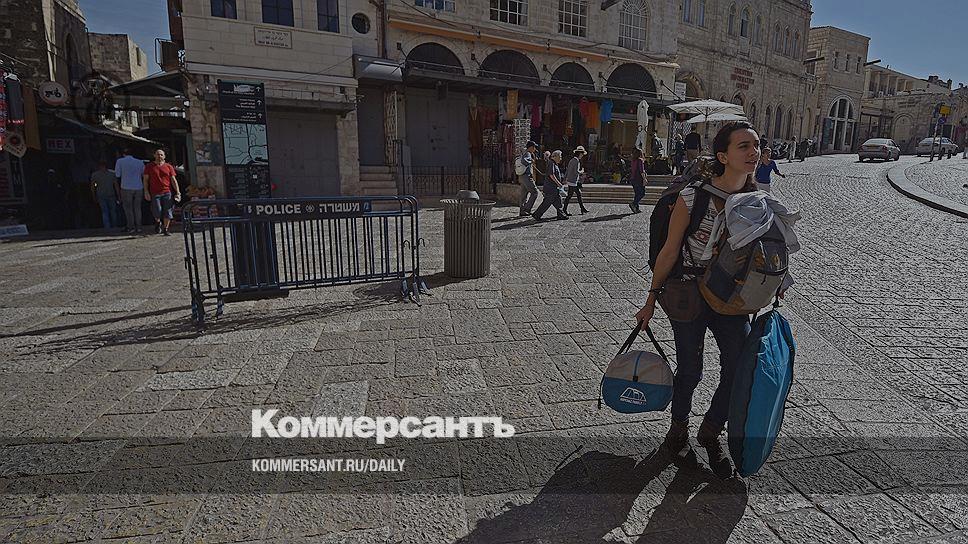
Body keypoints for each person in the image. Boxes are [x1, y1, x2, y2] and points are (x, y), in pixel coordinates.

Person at [636, 121, 776, 480]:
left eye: (756, 145)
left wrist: (773, 283)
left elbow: (764, 254)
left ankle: (711, 431)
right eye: (744, 146)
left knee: (738, 368)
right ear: (723, 156)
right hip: (689, 294)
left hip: (733, 300)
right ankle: (678, 431)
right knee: (690, 369)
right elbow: (670, 250)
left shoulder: (759, 201)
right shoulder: (693, 197)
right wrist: (651, 299)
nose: (753, 152)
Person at [143, 149, 181, 236]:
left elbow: (173, 180)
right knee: (157, 210)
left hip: (167, 192)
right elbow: (145, 180)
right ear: (154, 155)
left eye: (161, 155)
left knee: (168, 211)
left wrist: (178, 192)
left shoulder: (169, 167)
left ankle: (166, 229)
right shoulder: (149, 166)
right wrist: (146, 191)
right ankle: (158, 222)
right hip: (155, 192)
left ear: (164, 156)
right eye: (158, 154)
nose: (159, 156)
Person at [115, 148, 146, 233]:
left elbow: (118, 174)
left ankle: (131, 227)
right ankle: (139, 227)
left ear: (123, 154)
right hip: (138, 186)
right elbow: (143, 174)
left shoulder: (120, 161)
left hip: (126, 186)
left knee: (128, 208)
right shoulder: (140, 162)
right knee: (137, 208)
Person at [531, 150, 568, 221]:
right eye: (560, 157)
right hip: (550, 188)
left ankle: (561, 215)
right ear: (556, 156)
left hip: (554, 188)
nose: (561, 158)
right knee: (547, 202)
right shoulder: (551, 163)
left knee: (558, 201)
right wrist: (558, 183)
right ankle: (537, 214)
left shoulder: (554, 163)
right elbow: (551, 175)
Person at [90, 160, 119, 229]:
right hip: (111, 194)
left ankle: (107, 227)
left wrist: (93, 195)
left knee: (104, 211)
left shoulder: (95, 175)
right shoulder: (112, 174)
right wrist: (119, 195)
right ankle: (114, 225)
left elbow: (93, 186)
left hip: (101, 195)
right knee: (113, 211)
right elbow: (116, 186)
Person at [562, 146, 589, 215]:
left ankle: (582, 208)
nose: (582, 156)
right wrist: (582, 171)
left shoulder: (571, 160)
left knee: (578, 194)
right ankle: (564, 210)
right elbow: (576, 172)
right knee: (569, 196)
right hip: (573, 181)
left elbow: (567, 170)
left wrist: (565, 178)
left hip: (571, 181)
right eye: (582, 154)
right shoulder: (576, 161)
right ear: (580, 153)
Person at [518, 141, 539, 217]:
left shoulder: (525, 153)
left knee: (523, 195)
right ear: (531, 147)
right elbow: (524, 161)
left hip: (522, 176)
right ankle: (527, 209)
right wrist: (531, 161)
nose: (535, 149)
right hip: (527, 176)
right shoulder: (528, 154)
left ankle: (522, 211)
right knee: (535, 192)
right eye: (534, 147)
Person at [629, 148, 648, 213]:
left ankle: (636, 208)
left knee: (637, 194)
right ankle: (634, 203)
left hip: (633, 179)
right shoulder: (640, 160)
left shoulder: (633, 160)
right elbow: (641, 170)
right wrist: (644, 179)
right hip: (638, 179)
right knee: (642, 193)